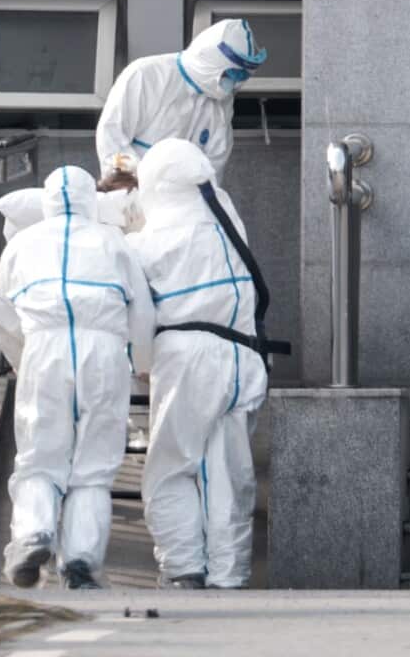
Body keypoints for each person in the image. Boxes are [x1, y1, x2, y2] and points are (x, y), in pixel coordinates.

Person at [0, 165, 155, 589]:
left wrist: (22, 359)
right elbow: (142, 314)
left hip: (43, 350)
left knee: (38, 457)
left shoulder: (21, 244)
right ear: (90, 200)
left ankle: (33, 534)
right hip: (104, 352)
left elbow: (1, 319)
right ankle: (81, 560)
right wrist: (142, 362)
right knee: (94, 467)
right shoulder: (113, 242)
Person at [127, 138, 275, 590]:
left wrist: (142, 362)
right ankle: (229, 575)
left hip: (186, 358)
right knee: (228, 475)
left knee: (170, 468)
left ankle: (183, 568)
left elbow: (140, 316)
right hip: (243, 357)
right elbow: (206, 188)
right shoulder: (229, 224)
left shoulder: (145, 244)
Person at [96, 19, 266, 181]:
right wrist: (137, 189)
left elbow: (213, 165)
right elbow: (112, 139)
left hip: (182, 198)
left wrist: (199, 197)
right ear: (211, 62)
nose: (234, 85)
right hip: (132, 191)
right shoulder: (146, 75)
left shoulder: (221, 102)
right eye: (230, 76)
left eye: (240, 78)